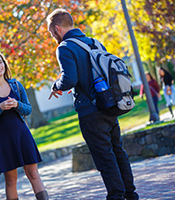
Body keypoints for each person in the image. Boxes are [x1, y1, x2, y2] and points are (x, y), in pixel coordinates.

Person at [46, 9, 138, 200]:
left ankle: (116, 196)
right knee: (118, 150)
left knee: (104, 156)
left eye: (51, 32)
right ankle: (130, 193)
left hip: (90, 111)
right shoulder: (94, 42)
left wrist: (56, 85)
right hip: (109, 105)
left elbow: (69, 79)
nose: (52, 36)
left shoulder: (64, 47)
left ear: (56, 28)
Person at [0, 51, 48, 200]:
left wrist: (17, 104)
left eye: (0, 62)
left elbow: (28, 109)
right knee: (11, 180)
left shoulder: (16, 85)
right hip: (2, 140)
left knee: (34, 173)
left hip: (22, 134)